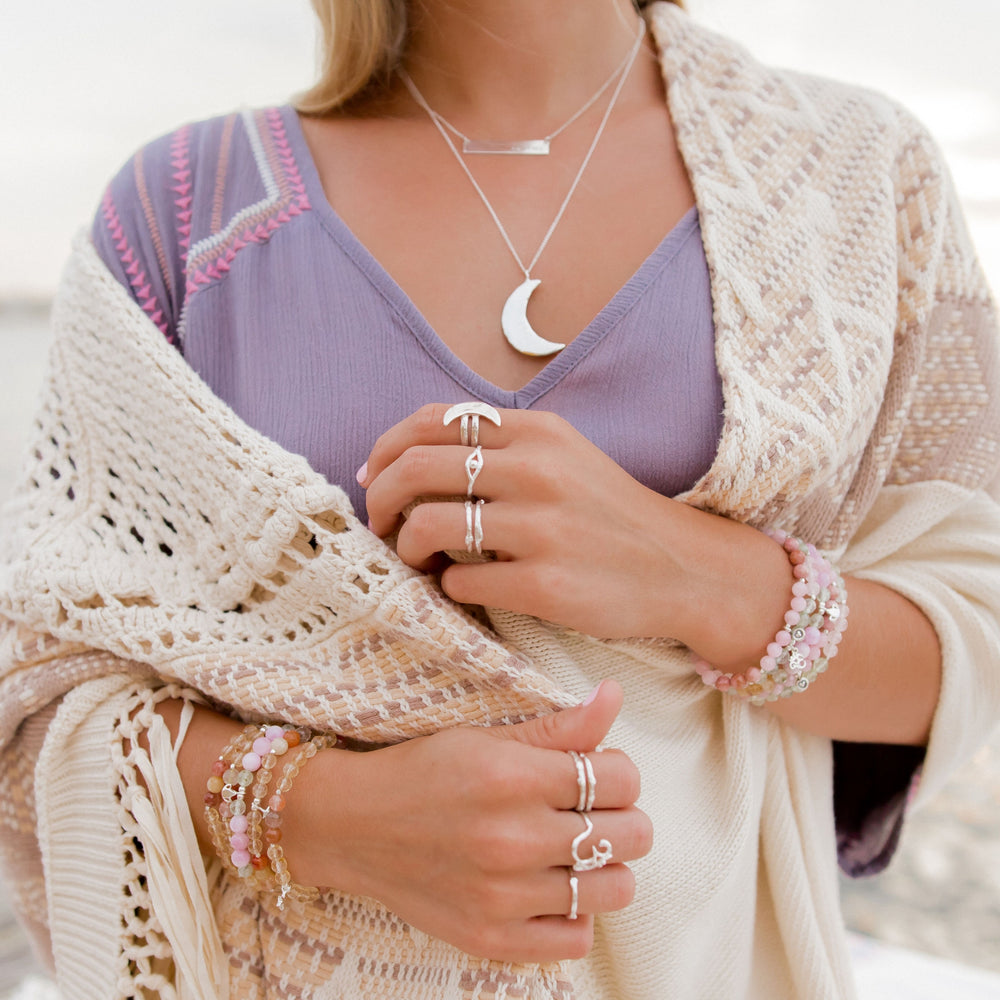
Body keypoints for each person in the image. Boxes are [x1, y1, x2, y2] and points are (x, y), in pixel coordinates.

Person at [1, 0, 998, 997]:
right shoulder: (185, 212)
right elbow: (33, 691)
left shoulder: (856, 177)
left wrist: (689, 573)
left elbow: (972, 632)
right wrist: (317, 813)